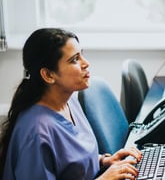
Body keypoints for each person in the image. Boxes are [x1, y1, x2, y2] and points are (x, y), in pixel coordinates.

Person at [0, 28, 142, 179]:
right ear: (48, 75)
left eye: (82, 54)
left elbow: (72, 163)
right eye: (74, 59)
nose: (86, 63)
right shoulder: (36, 132)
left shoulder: (69, 101)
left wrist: (104, 161)